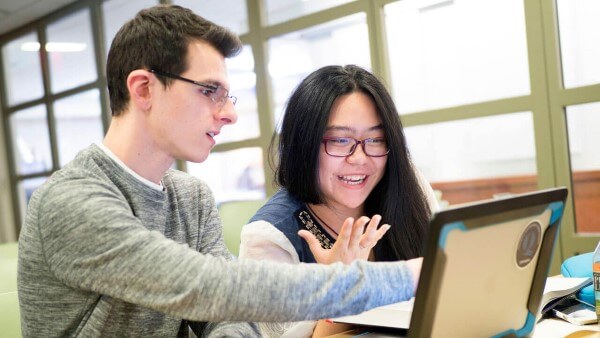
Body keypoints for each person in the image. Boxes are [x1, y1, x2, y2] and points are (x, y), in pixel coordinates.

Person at [17, 5, 423, 338]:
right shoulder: (71, 201)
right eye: (210, 91)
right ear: (143, 89)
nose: (228, 113)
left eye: (227, 96)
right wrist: (406, 278)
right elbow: (210, 288)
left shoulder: (190, 197)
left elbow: (228, 318)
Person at [239, 65, 439, 337]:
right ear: (304, 144)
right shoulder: (268, 237)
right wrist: (335, 288)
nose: (359, 158)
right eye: (340, 140)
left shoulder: (407, 186)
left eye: (377, 139)